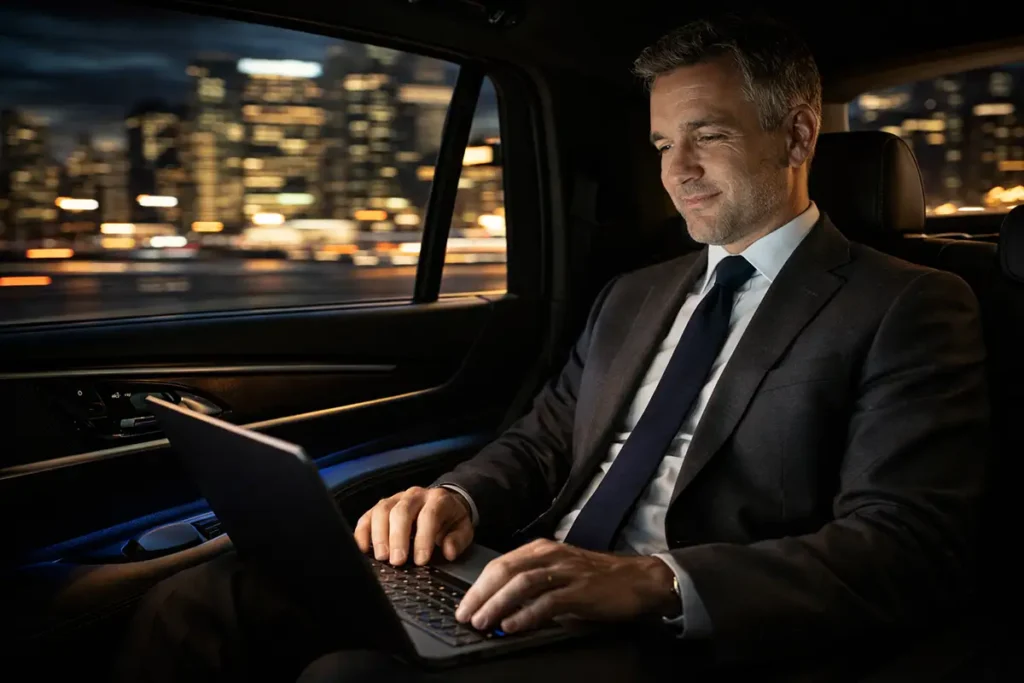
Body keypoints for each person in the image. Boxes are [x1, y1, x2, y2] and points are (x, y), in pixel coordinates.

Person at [116, 13, 989, 683]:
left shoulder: (907, 302)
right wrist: (456, 498)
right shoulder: (637, 292)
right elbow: (540, 442)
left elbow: (905, 544)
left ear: (797, 136)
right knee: (200, 598)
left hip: (678, 632)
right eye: (660, 142)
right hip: (521, 572)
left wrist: (653, 581)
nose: (674, 168)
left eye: (708, 134)